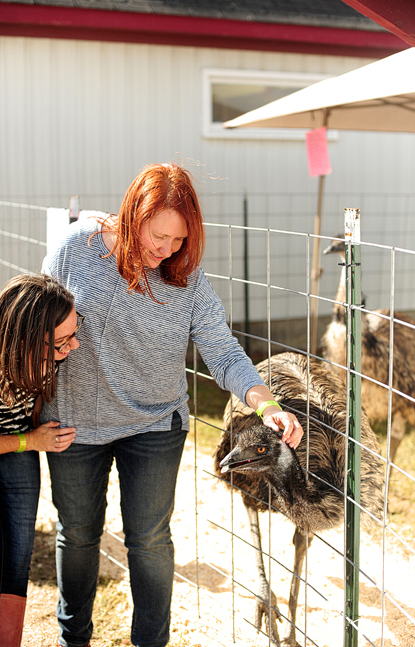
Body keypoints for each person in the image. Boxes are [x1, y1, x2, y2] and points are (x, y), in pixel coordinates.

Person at [41, 163, 303, 647]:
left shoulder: (187, 280)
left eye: (178, 240)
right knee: (77, 534)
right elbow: (38, 321)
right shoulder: (75, 248)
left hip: (155, 424)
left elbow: (223, 352)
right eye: (157, 235)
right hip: (76, 423)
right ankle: (72, 639)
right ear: (131, 214)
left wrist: (268, 406)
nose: (165, 249)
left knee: (149, 541)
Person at [0, 273, 79, 647]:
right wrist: (29, 440)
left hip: (19, 446)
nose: (72, 346)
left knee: (17, 554)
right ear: (25, 339)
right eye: (61, 342)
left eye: (74, 332)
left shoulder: (45, 354)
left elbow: (35, 408)